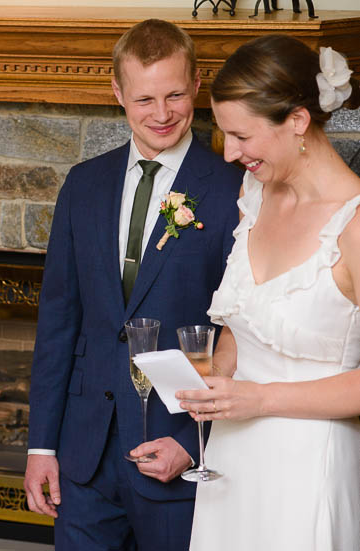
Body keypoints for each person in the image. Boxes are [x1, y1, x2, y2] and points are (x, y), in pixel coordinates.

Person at [23, 19, 242, 550]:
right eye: (144, 98)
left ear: (196, 86)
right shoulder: (83, 184)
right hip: (83, 455)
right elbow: (58, 321)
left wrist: (194, 444)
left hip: (175, 447)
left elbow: (245, 333)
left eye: (173, 94)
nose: (161, 114)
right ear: (117, 92)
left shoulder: (236, 188)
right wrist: (42, 447)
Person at [177, 35, 360, 550]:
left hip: (308, 465)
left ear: (297, 121)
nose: (230, 153)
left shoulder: (354, 226)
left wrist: (260, 399)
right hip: (231, 458)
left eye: (241, 136)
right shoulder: (253, 195)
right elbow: (241, 324)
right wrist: (216, 380)